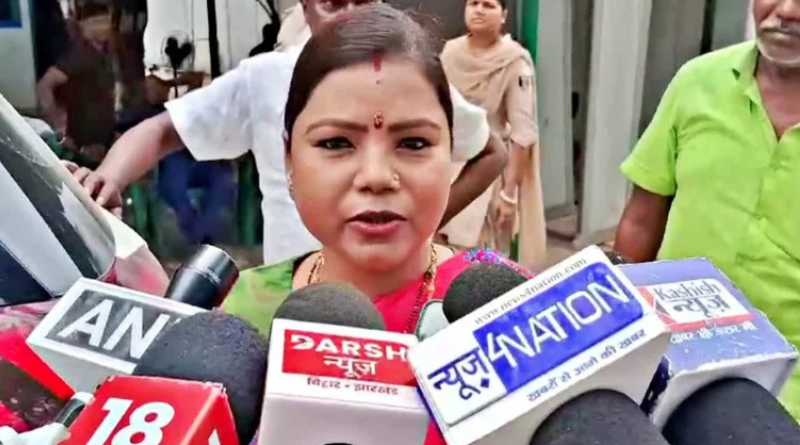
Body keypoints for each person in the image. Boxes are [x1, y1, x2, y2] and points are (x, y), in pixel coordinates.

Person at [219, 5, 534, 444]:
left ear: (450, 153)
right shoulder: (240, 314)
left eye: (414, 143)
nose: (376, 177)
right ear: (289, 160)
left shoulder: (513, 311)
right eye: (336, 143)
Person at [67, 0, 506, 267]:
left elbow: (492, 152)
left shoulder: (414, 80)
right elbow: (164, 130)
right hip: (295, 295)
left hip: (396, 288)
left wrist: (426, 223)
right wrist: (108, 178)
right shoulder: (268, 79)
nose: (349, 18)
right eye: (334, 143)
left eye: (411, 143)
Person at [615, 0, 800, 419]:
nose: (787, 10)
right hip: (669, 368)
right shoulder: (697, 81)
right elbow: (642, 219)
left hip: (787, 398)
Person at [438, 0, 546, 272]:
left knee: (478, 264)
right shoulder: (449, 53)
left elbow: (523, 133)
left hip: (487, 168)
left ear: (504, 16)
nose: (479, 10)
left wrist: (509, 195)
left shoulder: (514, 61)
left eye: (488, 5)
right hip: (444, 165)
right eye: (473, 3)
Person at [115, 73, 236, 245]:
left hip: (198, 161)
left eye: (158, 87)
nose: (156, 91)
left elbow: (197, 78)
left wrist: (169, 83)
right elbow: (119, 134)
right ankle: (198, 235)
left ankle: (204, 232)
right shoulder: (140, 114)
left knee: (223, 180)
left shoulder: (179, 106)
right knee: (174, 182)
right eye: (150, 88)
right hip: (169, 164)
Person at [37, 9, 116, 165]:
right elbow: (44, 86)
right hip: (81, 145)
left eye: (107, 21)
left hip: (100, 142)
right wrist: (58, 127)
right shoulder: (78, 55)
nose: (105, 26)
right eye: (99, 21)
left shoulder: (102, 53)